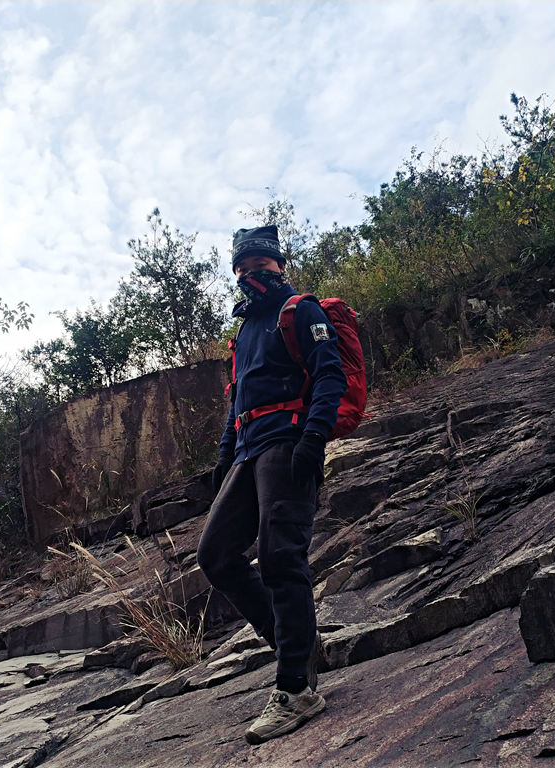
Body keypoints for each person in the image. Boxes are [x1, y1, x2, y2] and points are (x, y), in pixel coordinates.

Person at [197, 224, 346, 745]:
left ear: (277, 264)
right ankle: (296, 650)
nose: (247, 274)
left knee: (282, 557)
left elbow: (331, 375)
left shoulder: (300, 310)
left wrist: (314, 437)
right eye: (239, 267)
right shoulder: (242, 333)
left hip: (287, 443)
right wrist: (223, 455)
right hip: (246, 450)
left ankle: (295, 690)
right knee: (215, 555)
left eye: (257, 264)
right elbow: (236, 399)